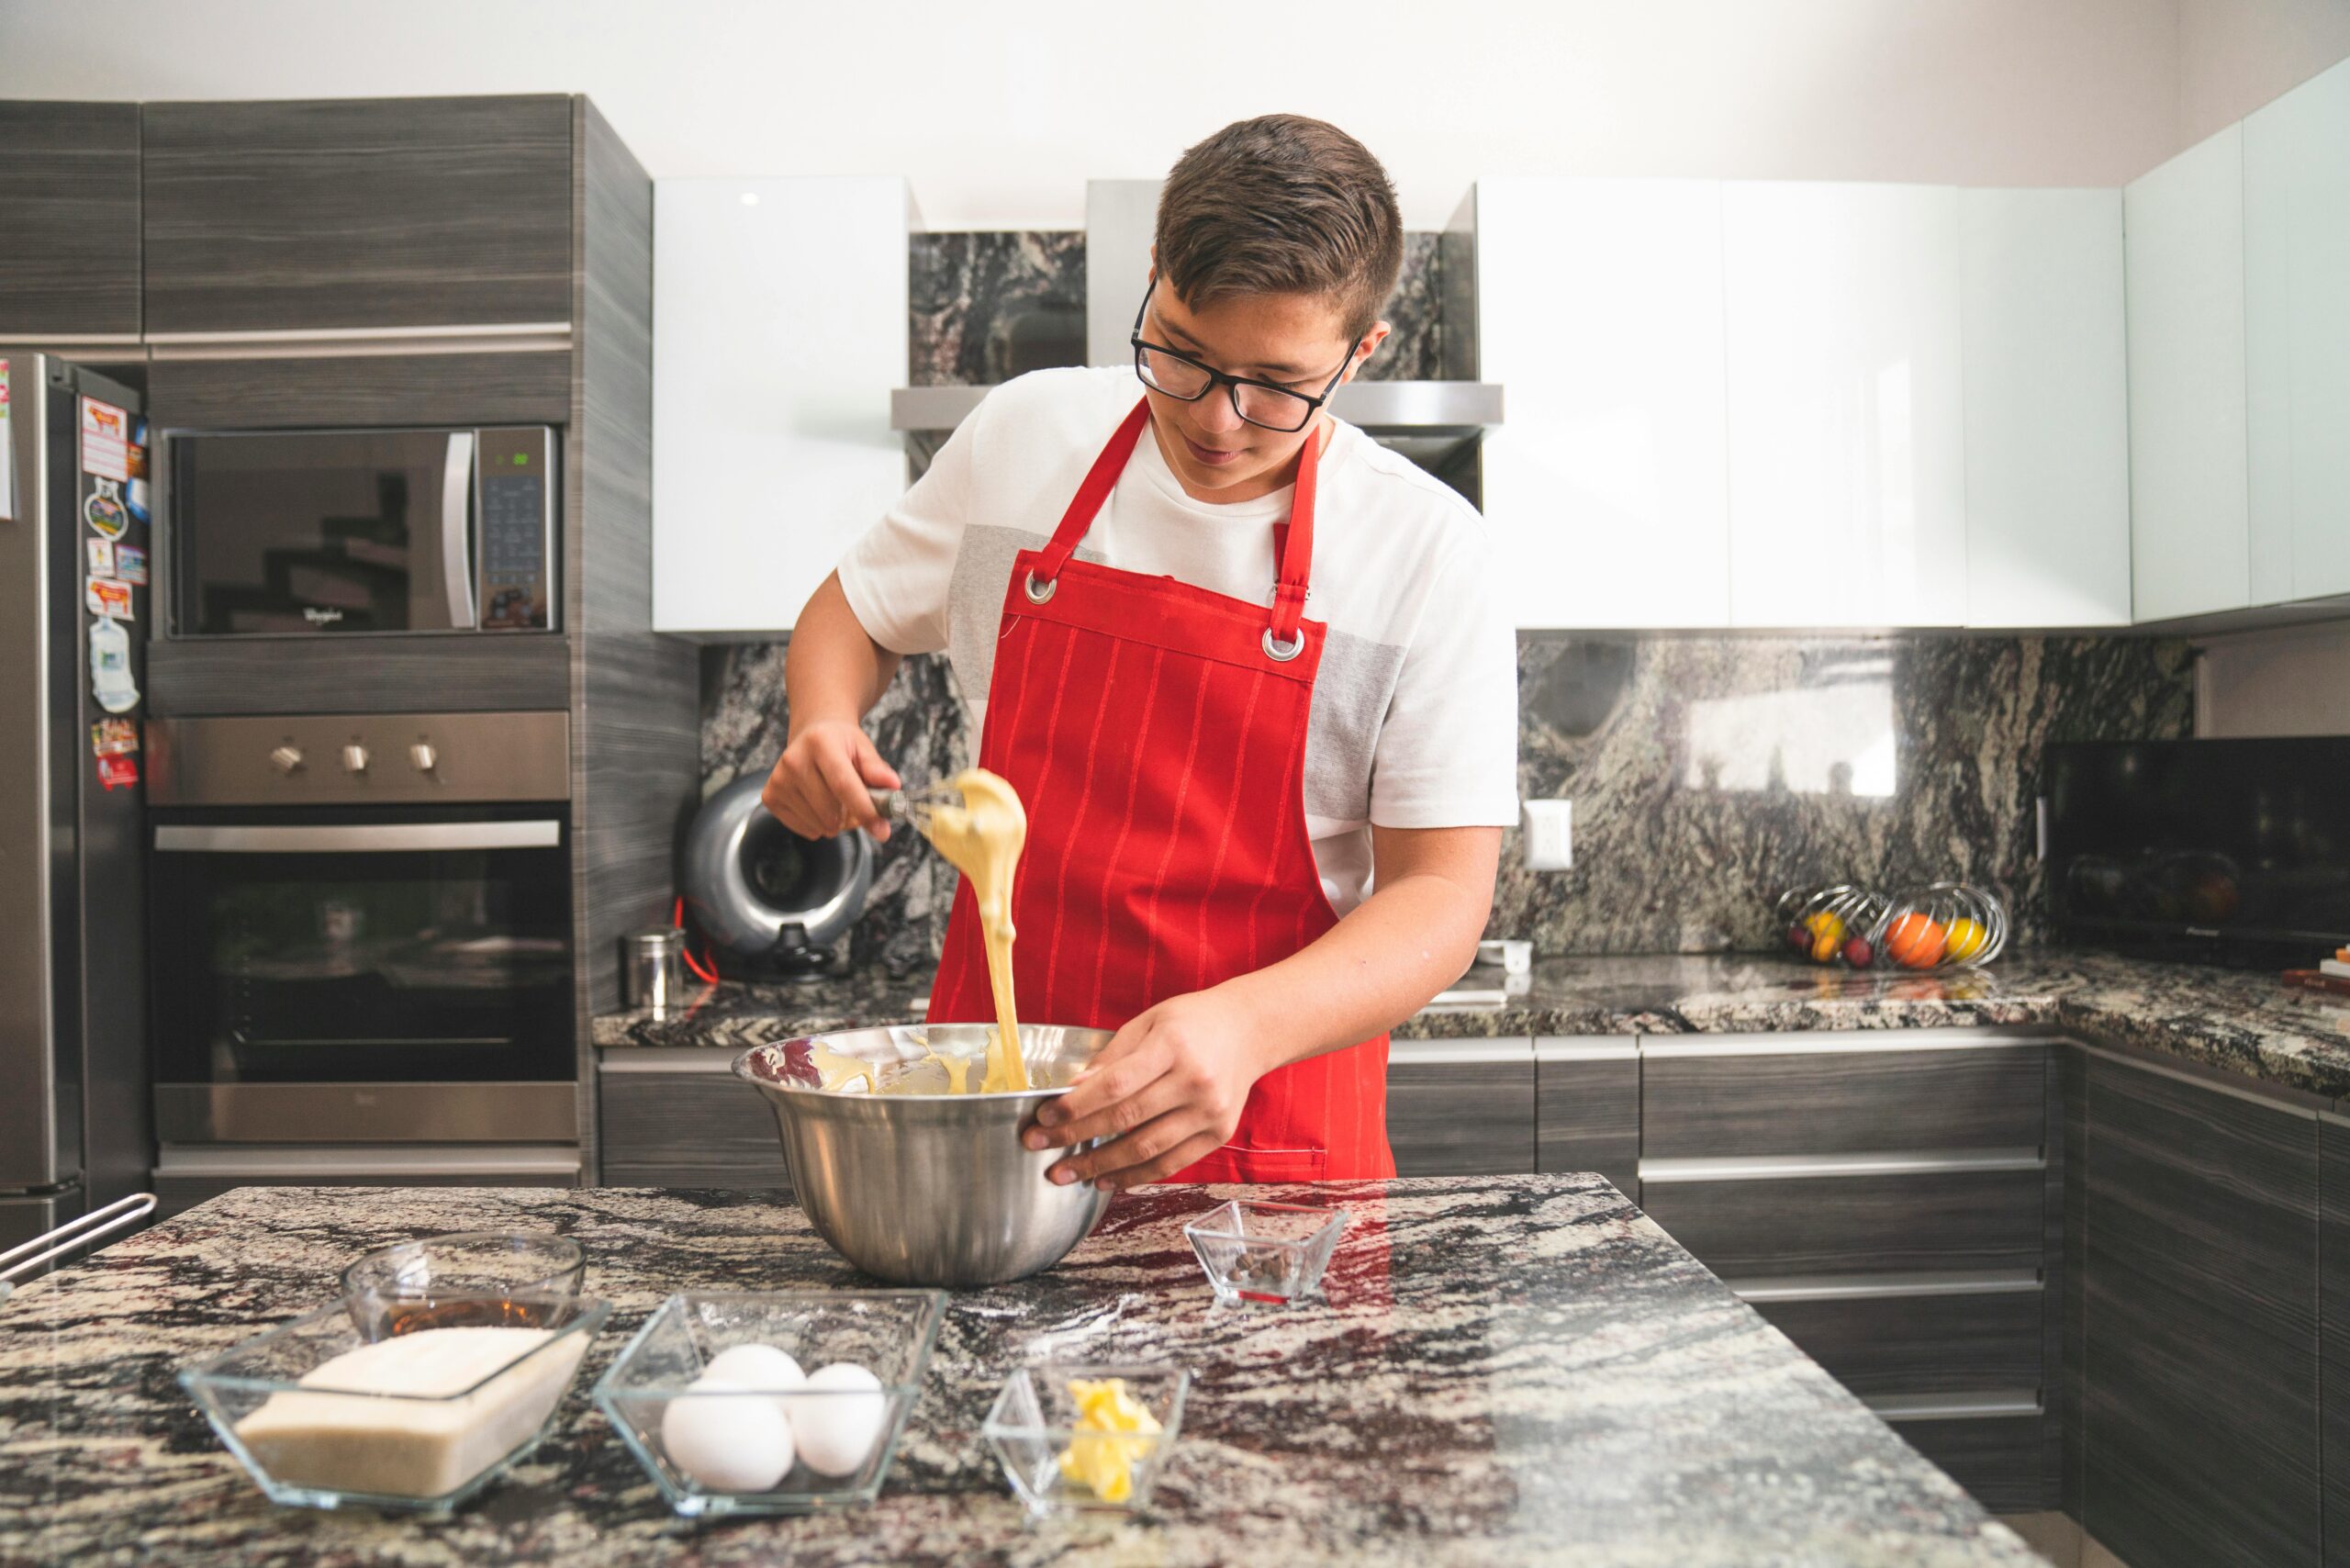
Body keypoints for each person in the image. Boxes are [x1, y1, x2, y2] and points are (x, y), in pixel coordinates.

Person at [762, 114, 1517, 1191]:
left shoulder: (1430, 554)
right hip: (997, 1118)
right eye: (1180, 353)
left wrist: (1247, 1026)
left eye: (1276, 382)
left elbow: (1441, 894)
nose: (1217, 419)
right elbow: (853, 613)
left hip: (1267, 1141)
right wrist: (821, 721)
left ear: (1361, 352)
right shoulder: (1023, 438)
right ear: (1156, 276)